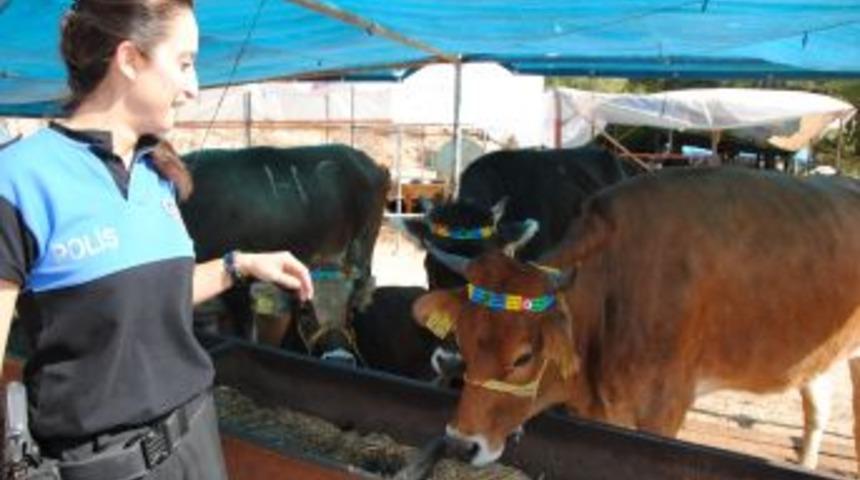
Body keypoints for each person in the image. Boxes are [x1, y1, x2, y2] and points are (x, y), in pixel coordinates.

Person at [0, 0, 313, 478]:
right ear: (129, 60)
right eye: (184, 63)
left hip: (195, 440)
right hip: (103, 465)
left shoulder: (156, 171)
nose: (194, 87)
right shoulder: (19, 180)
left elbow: (151, 298)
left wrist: (239, 264)